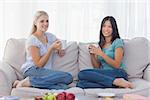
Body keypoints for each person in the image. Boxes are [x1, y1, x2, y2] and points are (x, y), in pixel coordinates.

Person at [13, 11, 73, 90]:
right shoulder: (32, 40)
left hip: (44, 72)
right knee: (67, 77)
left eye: (47, 21)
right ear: (35, 23)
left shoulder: (50, 36)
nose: (45, 24)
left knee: (64, 87)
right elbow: (38, 64)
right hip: (33, 70)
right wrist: (51, 48)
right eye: (42, 21)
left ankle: (25, 83)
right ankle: (29, 81)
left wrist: (60, 48)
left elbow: (59, 42)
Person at [76, 16, 134, 89]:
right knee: (81, 84)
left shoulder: (117, 42)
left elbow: (117, 65)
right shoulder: (101, 44)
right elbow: (97, 67)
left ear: (114, 29)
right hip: (105, 74)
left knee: (82, 74)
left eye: (109, 27)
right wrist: (92, 54)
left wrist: (101, 54)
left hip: (118, 72)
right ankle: (115, 83)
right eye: (104, 26)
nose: (106, 29)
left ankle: (116, 82)